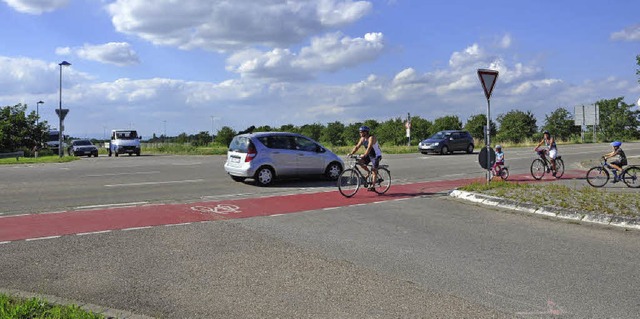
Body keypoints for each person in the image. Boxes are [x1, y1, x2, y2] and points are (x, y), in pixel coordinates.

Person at [348, 126, 383, 190]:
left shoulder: (371, 138)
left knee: (374, 170)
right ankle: (368, 172)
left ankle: (373, 186)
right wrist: (351, 153)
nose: (360, 133)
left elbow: (369, 147)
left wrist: (364, 155)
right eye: (360, 132)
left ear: (366, 132)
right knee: (360, 162)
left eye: (361, 132)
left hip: (376, 155)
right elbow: (357, 147)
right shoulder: (362, 139)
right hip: (369, 155)